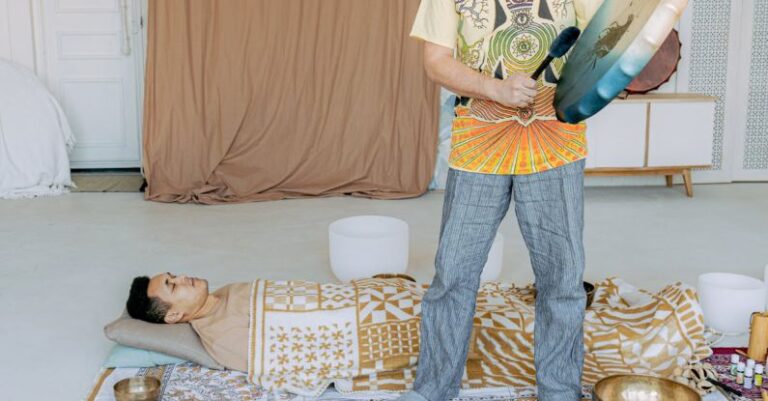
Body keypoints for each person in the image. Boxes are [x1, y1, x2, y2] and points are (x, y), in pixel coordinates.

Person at [401, 0, 603, 400]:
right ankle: (433, 391)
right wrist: (495, 88)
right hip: (478, 145)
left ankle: (560, 391)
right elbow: (436, 61)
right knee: (454, 273)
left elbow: (604, 40)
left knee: (562, 278)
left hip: (554, 144)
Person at [126, 272, 251, 372]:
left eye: (174, 276)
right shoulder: (222, 335)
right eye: (173, 286)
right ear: (174, 315)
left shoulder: (226, 290)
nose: (183, 276)